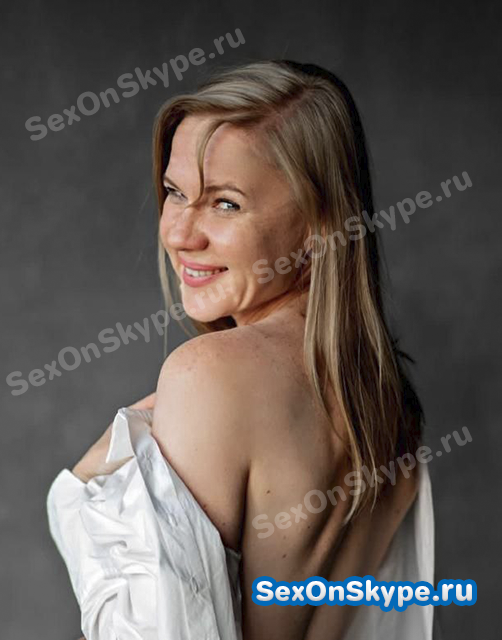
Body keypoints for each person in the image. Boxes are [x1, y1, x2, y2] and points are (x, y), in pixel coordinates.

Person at [49, 60, 435, 640]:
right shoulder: (389, 403)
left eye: (225, 203)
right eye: (175, 193)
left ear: (319, 224)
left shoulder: (210, 375)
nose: (179, 233)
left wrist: (84, 485)